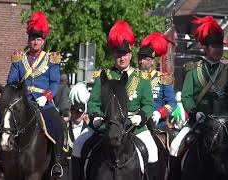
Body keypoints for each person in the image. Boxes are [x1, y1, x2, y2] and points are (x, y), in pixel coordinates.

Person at [73, 20, 157, 176]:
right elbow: (93, 102)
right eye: (118, 54)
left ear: (131, 55)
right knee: (78, 145)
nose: (122, 58)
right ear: (113, 55)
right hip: (106, 126)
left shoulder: (142, 78)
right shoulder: (103, 76)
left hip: (134, 127)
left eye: (125, 54)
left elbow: (148, 104)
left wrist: (141, 116)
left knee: (153, 153)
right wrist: (96, 117)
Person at [168, 16, 228, 178]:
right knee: (175, 146)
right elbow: (187, 96)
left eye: (220, 46)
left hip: (225, 123)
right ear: (206, 48)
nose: (218, 50)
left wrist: (226, 112)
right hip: (199, 121)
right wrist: (195, 112)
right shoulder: (194, 69)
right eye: (214, 46)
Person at [0, 11, 64, 177]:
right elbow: (12, 82)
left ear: (43, 41)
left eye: (38, 39)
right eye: (33, 38)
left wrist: (46, 97)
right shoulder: (19, 59)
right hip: (21, 102)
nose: (35, 42)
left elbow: (55, 83)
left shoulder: (51, 59)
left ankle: (57, 162)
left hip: (43, 103)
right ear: (28, 39)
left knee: (58, 125)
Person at [138, 32, 177, 130]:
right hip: (135, 125)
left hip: (158, 125)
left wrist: (159, 113)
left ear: (152, 61)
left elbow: (172, 103)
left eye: (145, 59)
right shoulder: (132, 77)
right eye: (140, 58)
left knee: (174, 145)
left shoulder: (163, 78)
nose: (141, 61)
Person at [68, 83, 91, 180]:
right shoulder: (65, 127)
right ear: (71, 111)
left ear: (84, 113)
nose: (77, 114)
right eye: (75, 111)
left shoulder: (89, 130)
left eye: (80, 112)